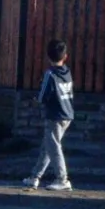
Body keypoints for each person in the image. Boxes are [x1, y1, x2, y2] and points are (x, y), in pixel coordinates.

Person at [23, 39, 74, 191]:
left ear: (48, 57)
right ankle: (35, 177)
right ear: (65, 56)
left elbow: (43, 96)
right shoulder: (67, 72)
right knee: (48, 146)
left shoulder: (50, 74)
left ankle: (62, 179)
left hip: (55, 115)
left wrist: (35, 100)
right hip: (67, 113)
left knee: (54, 147)